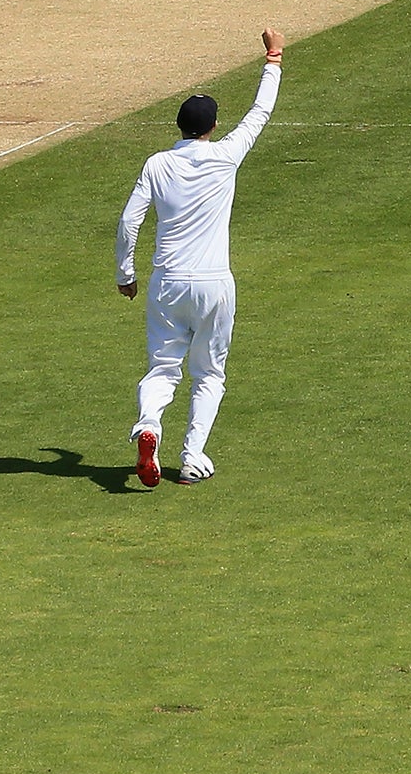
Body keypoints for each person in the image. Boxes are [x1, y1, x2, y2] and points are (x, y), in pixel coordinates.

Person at [114, 28, 284, 489]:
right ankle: (192, 456)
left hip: (166, 282)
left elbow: (130, 222)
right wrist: (273, 57)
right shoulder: (226, 155)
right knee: (209, 373)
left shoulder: (156, 164)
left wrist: (125, 274)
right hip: (213, 283)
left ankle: (149, 427)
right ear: (211, 127)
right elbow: (260, 113)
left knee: (162, 368)